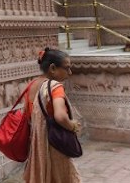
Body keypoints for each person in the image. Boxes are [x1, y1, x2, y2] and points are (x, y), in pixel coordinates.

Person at [24, 48, 81, 183]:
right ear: (53, 68)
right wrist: (72, 126)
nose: (70, 72)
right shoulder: (55, 87)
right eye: (67, 68)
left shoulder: (32, 85)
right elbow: (60, 116)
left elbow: (28, 114)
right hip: (54, 146)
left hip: (37, 146)